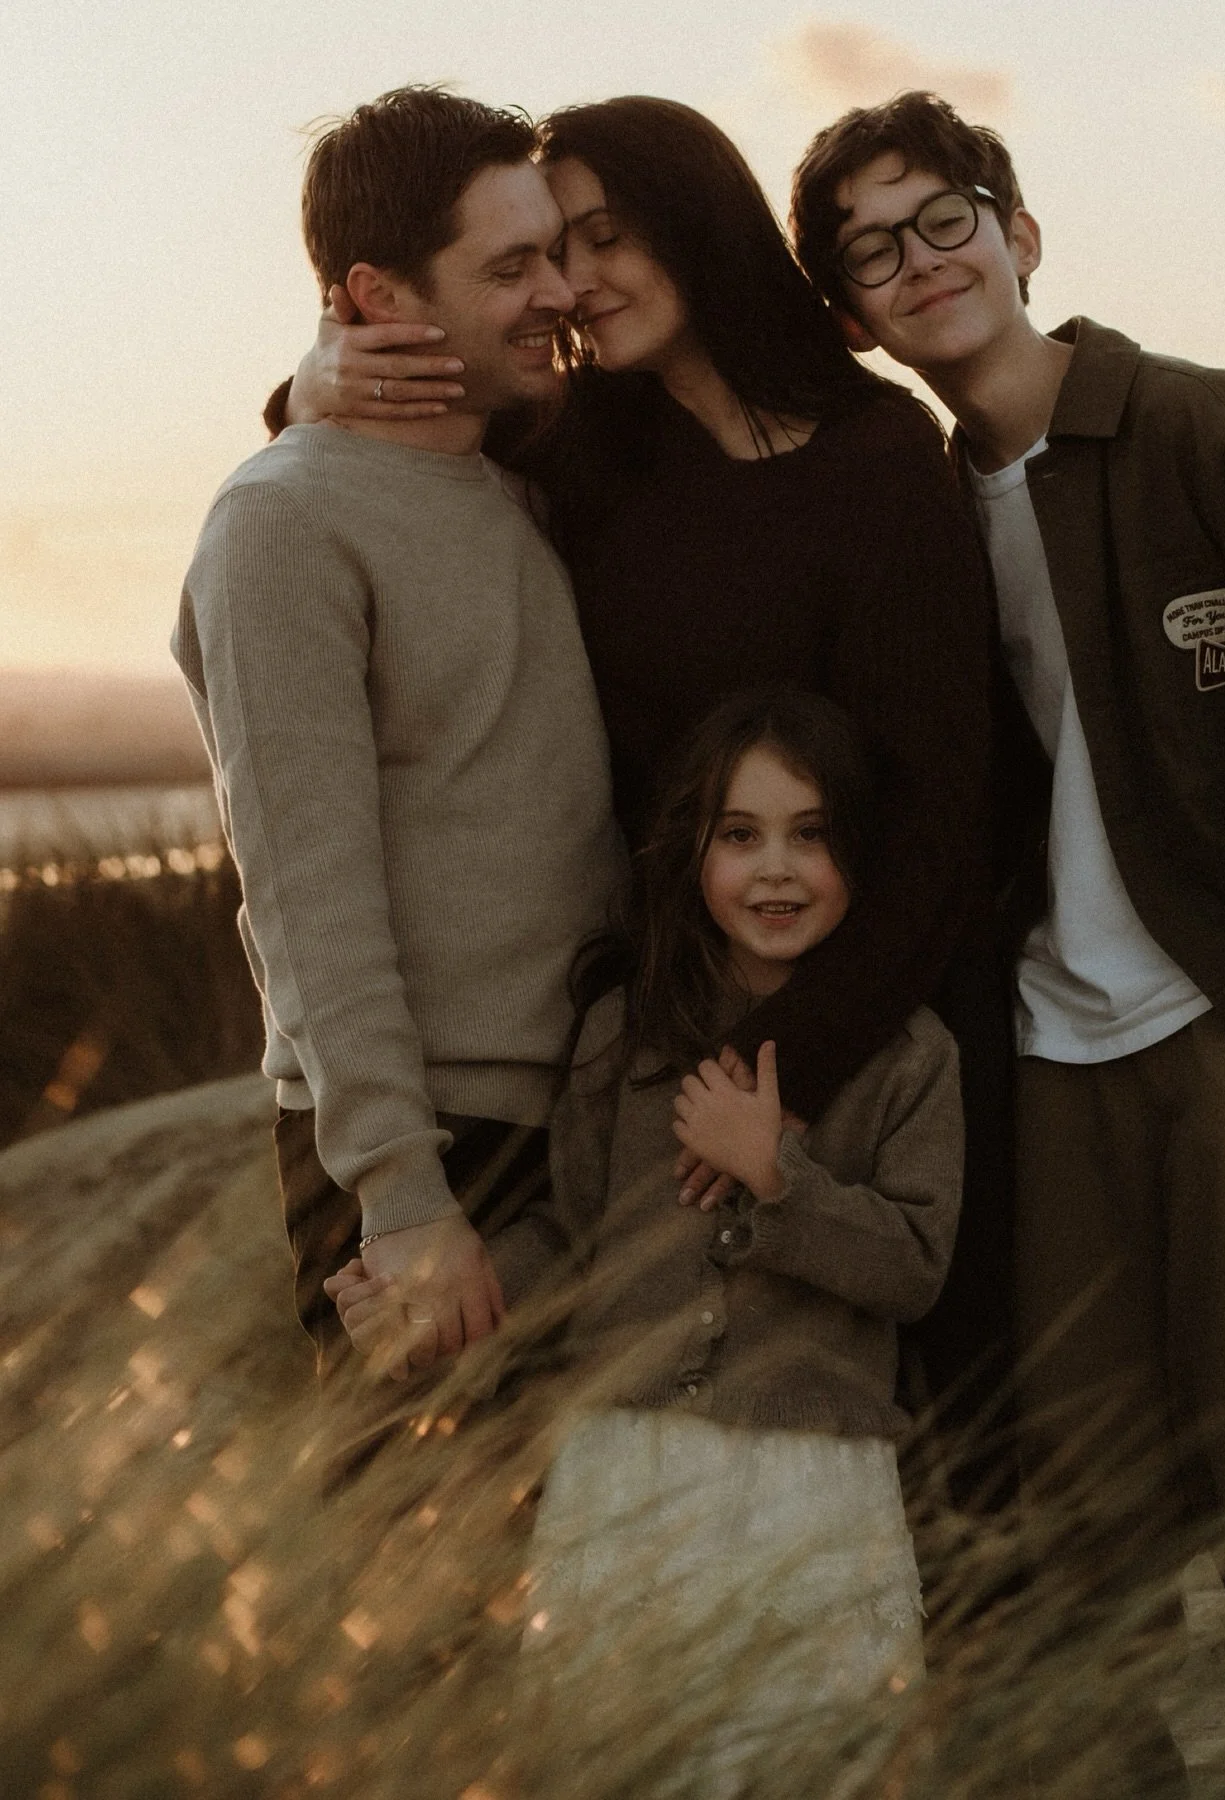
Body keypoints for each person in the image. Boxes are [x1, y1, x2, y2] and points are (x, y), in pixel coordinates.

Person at [788, 89, 1225, 1797]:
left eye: (944, 217)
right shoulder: (925, 505)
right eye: (870, 251)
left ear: (1019, 230)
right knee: (1088, 1507)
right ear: (850, 316)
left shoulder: (1195, 427)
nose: (919, 263)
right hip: (1053, 1052)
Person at [279, 94, 1008, 1466]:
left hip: (868, 1034)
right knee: (618, 1447)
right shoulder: (592, 446)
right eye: (552, 248)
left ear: (700, 230)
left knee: (929, 1467)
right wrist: (312, 382)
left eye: (605, 239)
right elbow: (393, 445)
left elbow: (940, 816)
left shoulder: (879, 460)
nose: (570, 283)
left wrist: (773, 1083)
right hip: (652, 1034)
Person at [329, 687, 964, 1788]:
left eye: (810, 837)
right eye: (741, 835)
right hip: (626, 1475)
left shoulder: (911, 1056)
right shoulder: (626, 1035)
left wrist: (777, 1178)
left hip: (814, 1485)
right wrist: (440, 1310)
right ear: (694, 854)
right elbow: (571, 1235)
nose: (776, 870)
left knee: (817, 1764)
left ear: (856, 854)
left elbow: (913, 1266)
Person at [175, 88, 626, 1388]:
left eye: (556, 250)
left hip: (588, 1119)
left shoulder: (534, 490)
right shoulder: (281, 525)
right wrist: (402, 1193)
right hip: (426, 1139)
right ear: (373, 297)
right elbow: (305, 892)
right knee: (432, 1572)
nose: (560, 292)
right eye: (511, 266)